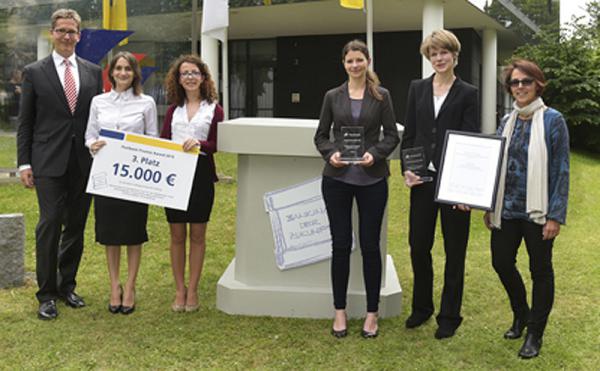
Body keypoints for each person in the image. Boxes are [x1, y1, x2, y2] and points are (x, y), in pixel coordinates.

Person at [16, 9, 103, 320]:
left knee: (76, 227)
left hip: (83, 162)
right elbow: (25, 123)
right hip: (47, 161)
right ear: (52, 33)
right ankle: (46, 294)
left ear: (79, 35)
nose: (67, 36)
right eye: (62, 31)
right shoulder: (34, 72)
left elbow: (98, 119)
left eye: (73, 31)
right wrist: (24, 163)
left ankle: (67, 286)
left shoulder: (93, 72)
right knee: (50, 224)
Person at [314, 40, 400, 338]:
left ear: (368, 61)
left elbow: (391, 136)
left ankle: (371, 315)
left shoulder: (381, 96)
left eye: (359, 60)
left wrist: (375, 154)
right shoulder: (331, 96)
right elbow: (321, 136)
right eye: (350, 61)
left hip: (372, 179)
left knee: (370, 246)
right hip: (336, 180)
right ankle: (340, 312)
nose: (355, 65)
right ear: (344, 64)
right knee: (339, 246)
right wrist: (331, 154)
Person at [484, 59, 569, 359]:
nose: (520, 87)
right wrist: (487, 203)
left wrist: (555, 216)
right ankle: (521, 313)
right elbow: (495, 165)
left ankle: (535, 333)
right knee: (501, 262)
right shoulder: (507, 120)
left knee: (540, 271)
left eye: (526, 81)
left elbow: (561, 170)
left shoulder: (552, 120)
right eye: (515, 82)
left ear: (538, 84)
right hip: (506, 210)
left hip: (538, 212)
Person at [400, 29, 479, 339]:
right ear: (428, 57)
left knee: (454, 250)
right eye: (433, 53)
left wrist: (466, 189)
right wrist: (408, 169)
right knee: (419, 246)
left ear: (454, 55)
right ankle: (422, 308)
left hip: (454, 183)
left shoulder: (467, 93)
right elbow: (410, 135)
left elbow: (470, 141)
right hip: (422, 180)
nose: (439, 58)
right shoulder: (417, 89)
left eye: (444, 52)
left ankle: (450, 314)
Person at [85, 52, 158, 314]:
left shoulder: (146, 102)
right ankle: (114, 285)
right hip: (106, 175)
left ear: (135, 73)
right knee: (110, 234)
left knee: (133, 233)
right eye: (119, 68)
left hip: (134, 178)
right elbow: (89, 135)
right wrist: (92, 145)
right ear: (111, 72)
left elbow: (153, 138)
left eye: (128, 68)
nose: (123, 73)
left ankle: (130, 286)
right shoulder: (98, 102)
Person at [161, 55, 223, 312]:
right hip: (174, 176)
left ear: (203, 77)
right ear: (178, 78)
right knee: (176, 235)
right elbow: (163, 141)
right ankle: (179, 290)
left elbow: (219, 144)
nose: (189, 77)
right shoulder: (172, 110)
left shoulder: (214, 109)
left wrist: (200, 144)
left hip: (200, 175)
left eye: (194, 73)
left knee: (197, 235)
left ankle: (193, 290)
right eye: (184, 73)